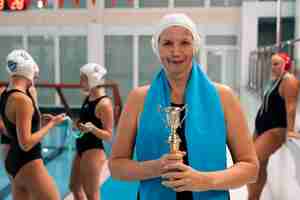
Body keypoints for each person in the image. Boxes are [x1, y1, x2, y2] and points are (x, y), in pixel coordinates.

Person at [109, 13, 259, 200]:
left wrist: (204, 181)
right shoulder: (139, 99)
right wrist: (155, 167)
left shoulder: (224, 97)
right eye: (167, 43)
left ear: (195, 47)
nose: (176, 52)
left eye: (184, 43)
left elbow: (250, 168)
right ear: (157, 47)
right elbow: (116, 166)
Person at [0, 49, 66, 200]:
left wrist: (38, 120)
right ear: (29, 71)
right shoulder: (22, 100)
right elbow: (26, 143)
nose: (34, 81)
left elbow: (13, 126)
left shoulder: (5, 94)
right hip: (29, 162)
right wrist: (52, 124)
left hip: (13, 162)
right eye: (34, 77)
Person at [248, 52, 299, 200]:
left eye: (277, 64)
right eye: (272, 64)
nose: (273, 67)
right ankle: (253, 197)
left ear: (286, 64)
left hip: (275, 129)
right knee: (257, 164)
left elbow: (291, 107)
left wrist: (290, 131)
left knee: (254, 161)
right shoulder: (275, 80)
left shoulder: (289, 81)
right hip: (262, 128)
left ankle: (253, 198)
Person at [69, 63, 113, 200]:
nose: (80, 82)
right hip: (81, 148)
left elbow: (109, 135)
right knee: (74, 187)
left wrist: (92, 129)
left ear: (92, 79)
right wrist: (77, 124)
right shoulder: (88, 98)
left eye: (83, 79)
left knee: (92, 194)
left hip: (93, 151)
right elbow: (86, 121)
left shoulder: (104, 104)